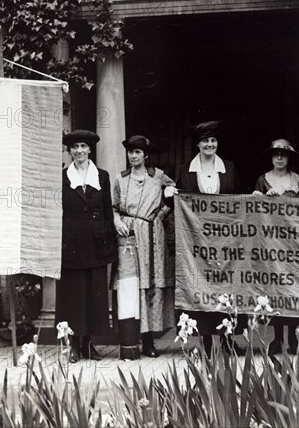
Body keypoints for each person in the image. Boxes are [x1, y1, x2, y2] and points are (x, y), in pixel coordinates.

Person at [167, 120, 243, 355]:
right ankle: (207, 342)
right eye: (205, 141)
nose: (210, 144)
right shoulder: (185, 171)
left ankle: (229, 339)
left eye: (213, 140)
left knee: (226, 286)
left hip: (225, 240)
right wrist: (170, 196)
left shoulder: (229, 168)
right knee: (202, 286)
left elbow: (239, 200)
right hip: (197, 242)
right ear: (198, 145)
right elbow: (179, 204)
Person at [112, 135, 176, 359]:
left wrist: (160, 215)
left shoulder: (158, 176)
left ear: (145, 155)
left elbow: (173, 197)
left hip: (152, 234)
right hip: (129, 236)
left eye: (138, 152)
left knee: (150, 285)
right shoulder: (120, 180)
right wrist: (118, 221)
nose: (133, 156)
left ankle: (149, 341)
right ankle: (132, 340)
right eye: (130, 152)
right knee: (132, 286)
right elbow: (113, 208)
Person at [56, 130, 117, 363]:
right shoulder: (62, 177)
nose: (79, 151)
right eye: (74, 147)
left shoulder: (102, 176)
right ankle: (73, 345)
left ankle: (88, 344)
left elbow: (107, 210)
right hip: (71, 242)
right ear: (69, 151)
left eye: (83, 146)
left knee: (94, 294)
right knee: (73, 295)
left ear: (90, 149)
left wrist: (109, 242)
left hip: (96, 242)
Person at [252, 138, 299, 354]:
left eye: (283, 154)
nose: (279, 158)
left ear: (289, 158)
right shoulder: (262, 180)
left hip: (293, 244)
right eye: (275, 154)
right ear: (271, 157)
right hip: (271, 245)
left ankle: (294, 339)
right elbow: (255, 213)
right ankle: (277, 338)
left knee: (293, 289)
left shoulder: (298, 179)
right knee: (275, 290)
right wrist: (259, 198)